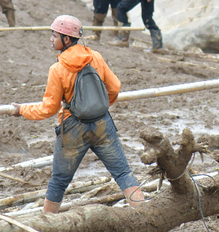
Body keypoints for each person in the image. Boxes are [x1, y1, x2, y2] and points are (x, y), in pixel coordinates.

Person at [11, 15, 143, 213]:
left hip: (73, 128)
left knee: (59, 181)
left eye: (54, 35)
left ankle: (48, 224)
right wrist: (99, 106)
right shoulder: (95, 57)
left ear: (66, 39)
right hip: (102, 124)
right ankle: (144, 213)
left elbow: (48, 109)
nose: (51, 39)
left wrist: (21, 110)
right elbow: (115, 87)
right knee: (123, 172)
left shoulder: (57, 69)